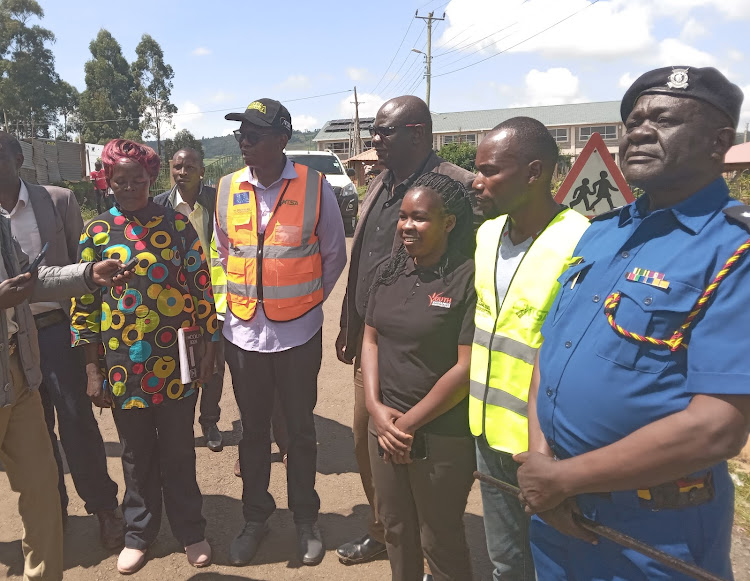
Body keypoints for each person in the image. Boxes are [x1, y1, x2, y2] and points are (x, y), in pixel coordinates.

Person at [515, 67, 746, 579]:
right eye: (633, 120)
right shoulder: (602, 233)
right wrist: (542, 468)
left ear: (719, 141)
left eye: (663, 119)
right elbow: (550, 355)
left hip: (652, 530)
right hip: (558, 511)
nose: (639, 131)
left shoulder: (733, 251)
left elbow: (717, 427)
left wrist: (562, 479)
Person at [336, 95, 486, 566]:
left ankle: (429, 543)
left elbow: (472, 268)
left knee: (424, 459)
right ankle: (388, 530)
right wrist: (350, 322)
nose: (374, 140)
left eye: (384, 131)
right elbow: (363, 260)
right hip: (378, 337)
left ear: (418, 132)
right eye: (374, 131)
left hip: (434, 350)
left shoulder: (458, 187)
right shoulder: (381, 185)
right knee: (369, 440)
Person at [70, 139, 218, 575]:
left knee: (177, 452)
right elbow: (84, 304)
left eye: (139, 179)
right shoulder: (96, 232)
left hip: (174, 363)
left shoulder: (176, 225)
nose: (131, 187)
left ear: (152, 179)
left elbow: (201, 286)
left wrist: (209, 346)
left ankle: (191, 531)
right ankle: (139, 534)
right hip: (122, 366)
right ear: (107, 182)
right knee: (135, 455)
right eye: (122, 180)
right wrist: (93, 370)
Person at [216, 98, 346, 567]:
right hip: (242, 334)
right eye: (241, 135)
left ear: (282, 139)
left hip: (296, 336)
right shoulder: (228, 187)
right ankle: (255, 517)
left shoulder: (315, 187)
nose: (244, 143)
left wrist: (306, 305)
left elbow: (334, 255)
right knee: (252, 433)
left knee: (300, 432)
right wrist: (223, 309)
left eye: (253, 134)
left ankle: (306, 520)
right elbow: (220, 253)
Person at [469, 118, 590, 581]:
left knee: (556, 559)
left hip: (548, 444)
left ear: (535, 173)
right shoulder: (487, 234)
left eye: (490, 171)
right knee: (506, 561)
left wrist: (554, 454)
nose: (477, 183)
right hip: (486, 429)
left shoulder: (580, 240)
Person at [0, 132, 123, 549]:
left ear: (18, 158)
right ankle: (54, 511)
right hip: (11, 340)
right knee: (35, 431)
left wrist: (94, 344)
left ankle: (104, 507)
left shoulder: (57, 200)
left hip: (58, 329)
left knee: (77, 422)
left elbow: (78, 266)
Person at [364, 172, 476, 581]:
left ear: (448, 222)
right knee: (395, 528)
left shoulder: (467, 278)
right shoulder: (389, 272)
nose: (408, 226)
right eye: (404, 217)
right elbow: (371, 340)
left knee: (438, 537)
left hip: (441, 434)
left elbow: (464, 368)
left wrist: (407, 424)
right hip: (387, 427)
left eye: (421, 218)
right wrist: (376, 410)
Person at [153, 148, 227, 452]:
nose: (182, 172)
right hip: (177, 301)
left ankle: (209, 420)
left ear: (202, 172)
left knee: (215, 363)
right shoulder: (159, 206)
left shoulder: (218, 202)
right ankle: (180, 424)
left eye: (190, 167)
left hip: (216, 297)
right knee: (182, 362)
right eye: (177, 167)